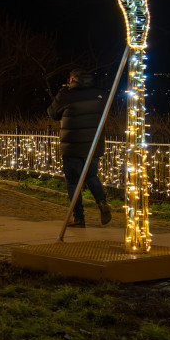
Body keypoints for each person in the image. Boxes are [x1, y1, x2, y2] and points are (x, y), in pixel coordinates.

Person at [47, 68, 112, 228]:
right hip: (93, 144)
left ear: (73, 79)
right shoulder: (101, 94)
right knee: (91, 176)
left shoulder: (66, 94)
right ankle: (102, 202)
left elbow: (52, 114)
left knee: (73, 182)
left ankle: (78, 217)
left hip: (72, 145)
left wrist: (62, 92)